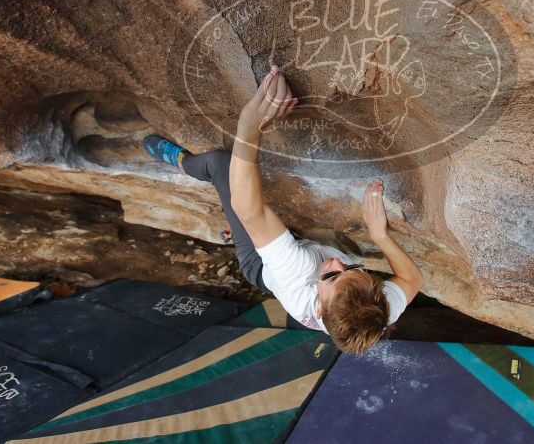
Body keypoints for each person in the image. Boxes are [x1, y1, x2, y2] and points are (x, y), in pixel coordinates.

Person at [143, 65, 423, 353]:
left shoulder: (297, 274)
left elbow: (248, 209)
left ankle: (180, 161)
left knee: (221, 164)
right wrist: (381, 236)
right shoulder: (376, 310)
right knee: (282, 235)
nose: (337, 264)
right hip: (296, 250)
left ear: (319, 310)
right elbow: (413, 279)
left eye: (330, 277)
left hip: (259, 264)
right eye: (353, 268)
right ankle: (258, 237)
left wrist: (250, 125)